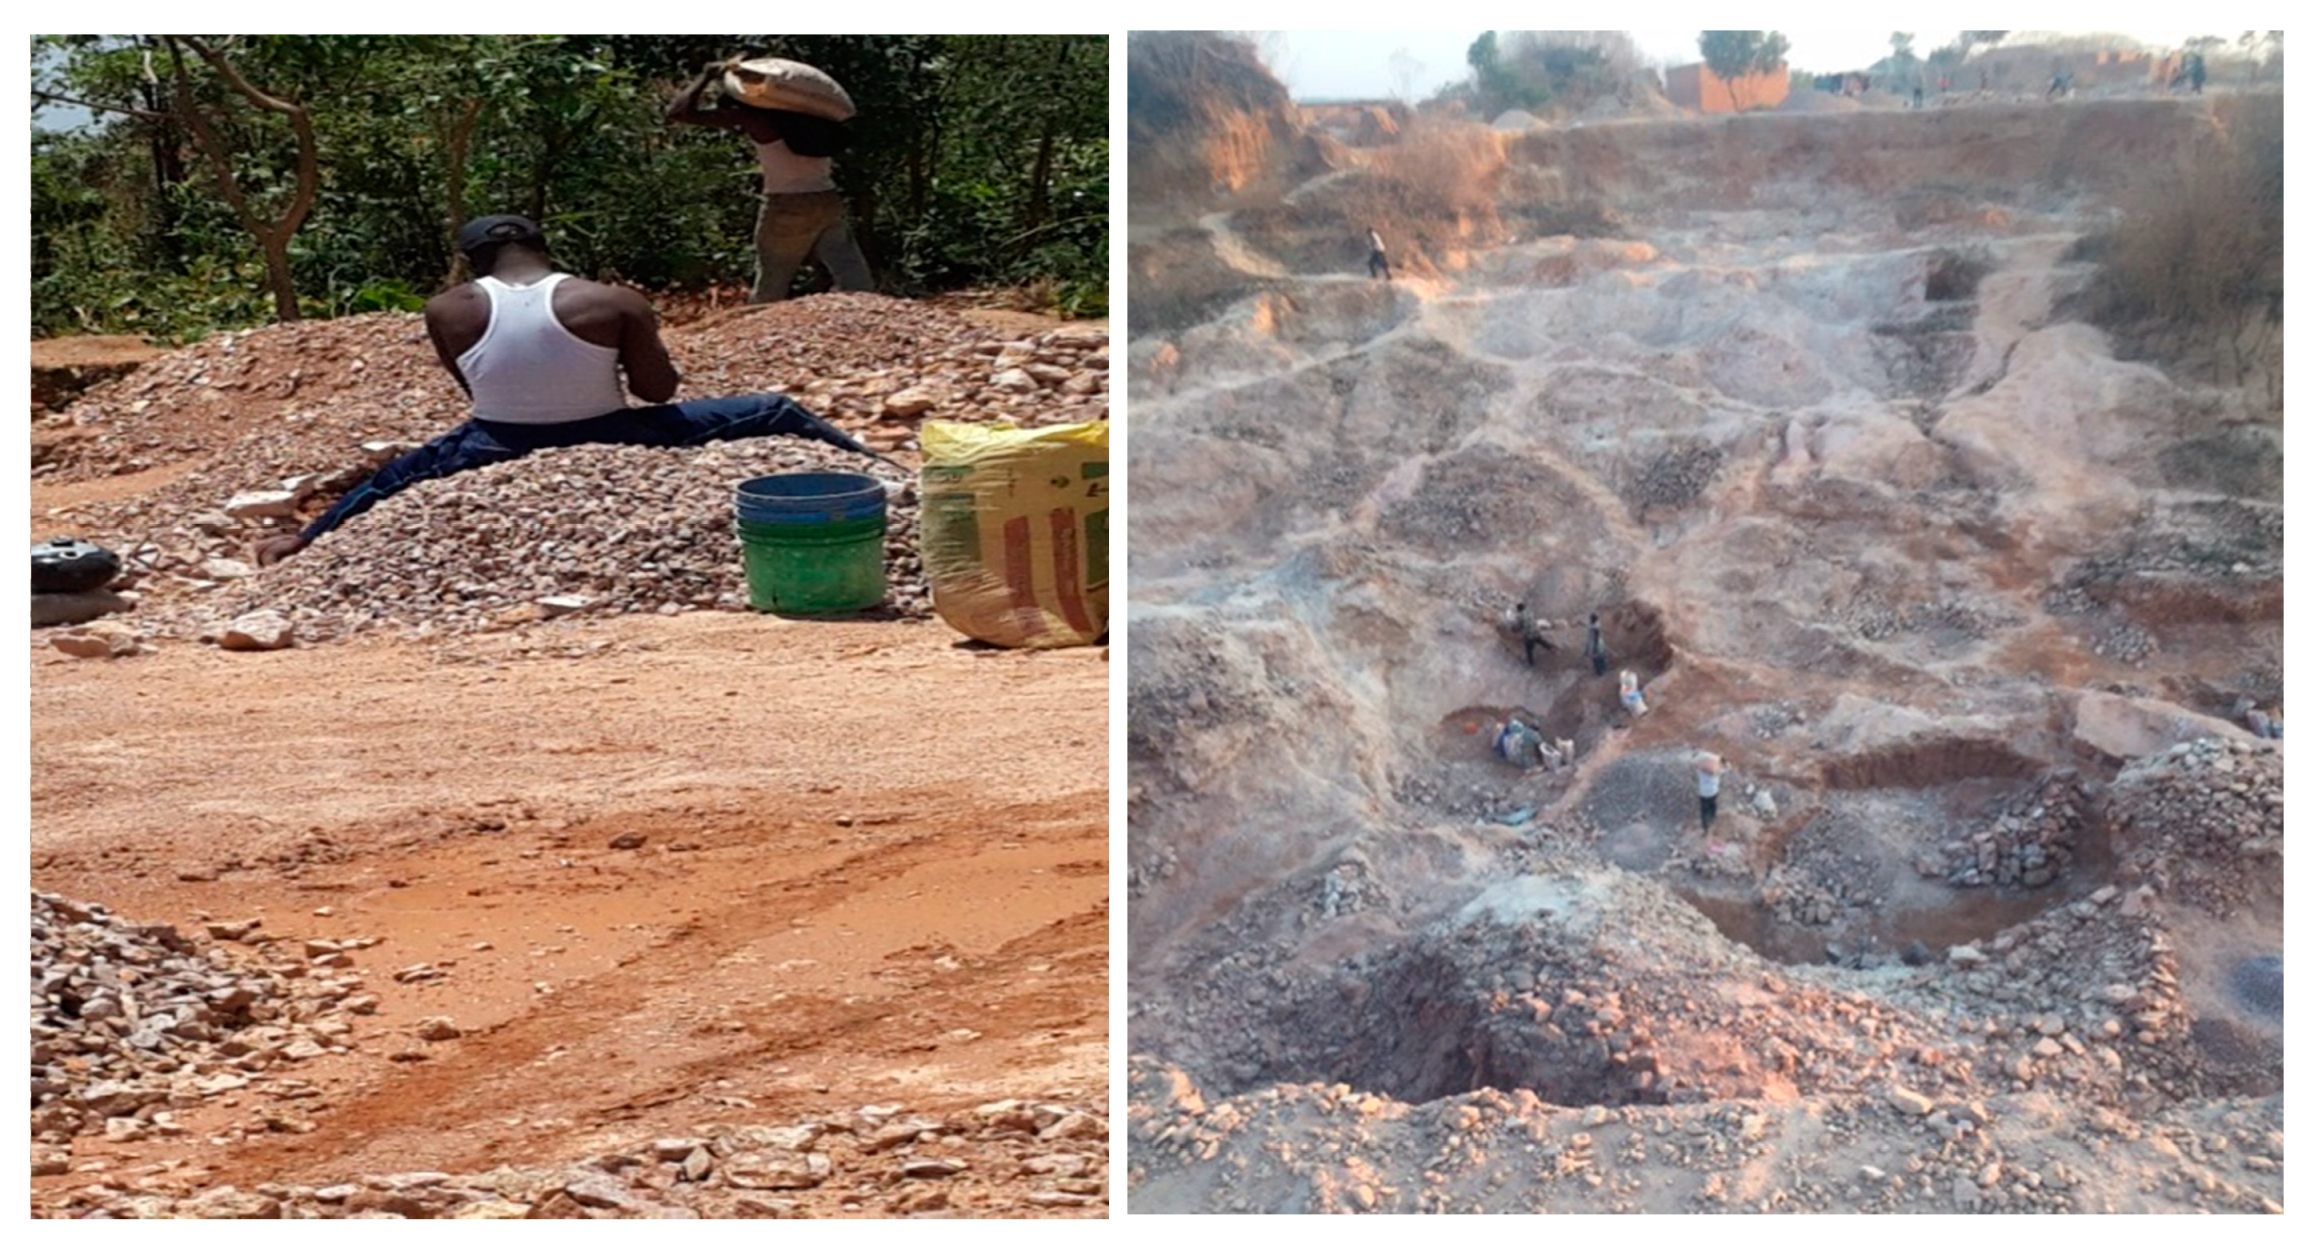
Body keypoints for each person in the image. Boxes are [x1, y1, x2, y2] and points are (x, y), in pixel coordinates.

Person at [253, 215, 873, 565]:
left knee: (398, 475)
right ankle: (885, 472)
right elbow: (658, 394)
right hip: (613, 432)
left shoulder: (446, 308)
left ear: (473, 262)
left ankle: (303, 540)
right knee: (773, 409)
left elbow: (473, 386)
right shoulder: (608, 300)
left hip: (495, 441)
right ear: (546, 250)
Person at [667, 58, 872, 304]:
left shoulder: (760, 122)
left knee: (772, 280)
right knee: (850, 269)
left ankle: (757, 328)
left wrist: (706, 76)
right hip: (827, 200)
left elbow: (678, 113)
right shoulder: (812, 119)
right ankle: (872, 311)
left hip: (786, 205)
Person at [1696, 751, 1729, 832]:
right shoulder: (1718, 771)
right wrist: (1721, 760)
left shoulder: (1701, 771)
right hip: (1713, 792)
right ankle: (1712, 824)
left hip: (1704, 793)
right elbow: (1727, 768)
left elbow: (1698, 764)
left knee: (1705, 811)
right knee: (1712, 808)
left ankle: (1706, 828)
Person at [1585, 611, 1609, 677]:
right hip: (1599, 644)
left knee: (1597, 660)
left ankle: (1600, 672)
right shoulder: (1597, 625)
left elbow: (1593, 639)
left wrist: (1591, 650)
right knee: (1601, 658)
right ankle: (1602, 671)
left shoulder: (1594, 628)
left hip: (1596, 645)